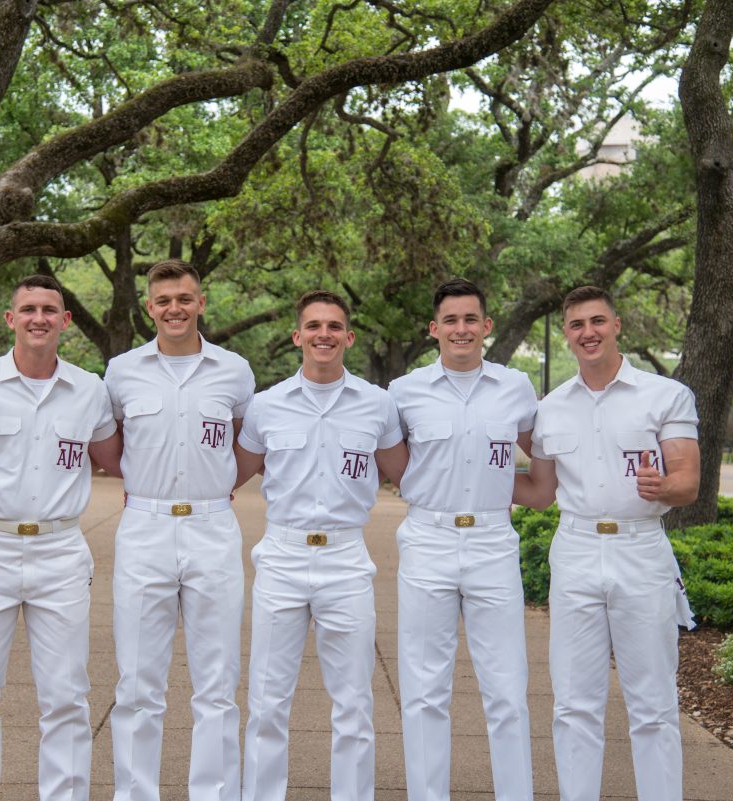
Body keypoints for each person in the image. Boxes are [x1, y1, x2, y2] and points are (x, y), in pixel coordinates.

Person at [0, 274, 122, 801]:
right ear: (11, 319)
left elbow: (116, 460)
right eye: (28, 308)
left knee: (66, 695)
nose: (39, 318)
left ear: (65, 321)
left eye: (49, 310)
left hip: (60, 551)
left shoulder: (90, 390)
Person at [516, 285, 699, 801]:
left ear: (617, 325)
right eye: (576, 325)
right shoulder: (550, 407)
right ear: (566, 334)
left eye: (597, 321)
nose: (588, 332)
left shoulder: (666, 395)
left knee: (654, 702)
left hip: (641, 551)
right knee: (573, 702)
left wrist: (663, 487)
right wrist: (464, 474)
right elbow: (540, 492)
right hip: (574, 550)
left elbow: (688, 480)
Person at [234, 290, 409, 801]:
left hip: (346, 559)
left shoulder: (377, 404)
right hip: (283, 556)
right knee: (267, 700)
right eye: (313, 326)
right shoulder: (266, 407)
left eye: (334, 326)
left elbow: (407, 474)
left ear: (349, 337)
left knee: (354, 702)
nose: (324, 335)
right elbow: (232, 473)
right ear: (298, 336)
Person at [104, 259, 255, 801]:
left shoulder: (235, 371)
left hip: (213, 527)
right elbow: (111, 445)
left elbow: (245, 445)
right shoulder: (121, 372)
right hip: (145, 528)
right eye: (164, 300)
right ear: (149, 307)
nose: (175, 309)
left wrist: (217, 486)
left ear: (201, 303)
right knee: (138, 682)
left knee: (217, 683)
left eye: (185, 299)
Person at [387, 278, 536, 801]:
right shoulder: (404, 393)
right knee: (425, 689)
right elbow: (395, 465)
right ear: (434, 330)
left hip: (494, 541)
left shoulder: (516, 388)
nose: (461, 329)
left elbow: (542, 459)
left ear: (487, 327)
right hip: (428, 540)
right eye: (450, 320)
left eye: (471, 319)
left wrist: (504, 486)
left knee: (507, 689)